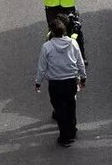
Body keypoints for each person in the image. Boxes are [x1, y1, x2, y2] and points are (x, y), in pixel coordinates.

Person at [35, 15, 86, 148]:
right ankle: (72, 131)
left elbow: (42, 67)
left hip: (56, 83)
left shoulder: (47, 47)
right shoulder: (73, 43)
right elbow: (80, 61)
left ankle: (64, 137)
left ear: (52, 32)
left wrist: (38, 82)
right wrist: (83, 77)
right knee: (71, 106)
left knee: (60, 109)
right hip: (71, 81)